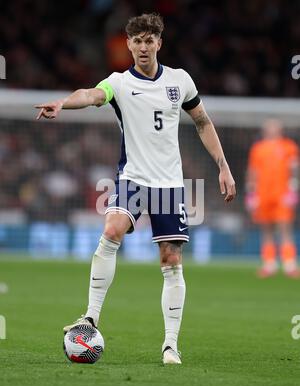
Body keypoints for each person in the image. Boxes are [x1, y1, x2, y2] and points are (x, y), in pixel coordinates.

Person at [35, 13, 236, 364]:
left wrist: (223, 166)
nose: (143, 47)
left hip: (170, 184)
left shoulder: (180, 81)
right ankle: (91, 316)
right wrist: (63, 103)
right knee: (112, 228)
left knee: (171, 259)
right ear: (128, 44)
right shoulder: (119, 82)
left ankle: (170, 344)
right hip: (133, 179)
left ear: (160, 43)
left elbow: (202, 122)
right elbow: (92, 94)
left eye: (149, 40)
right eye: (137, 41)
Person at [245, 118, 300, 278]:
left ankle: (289, 265)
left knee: (285, 228)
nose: (271, 130)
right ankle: (270, 264)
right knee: (266, 229)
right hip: (263, 195)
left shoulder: (289, 146)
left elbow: (295, 168)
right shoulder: (258, 148)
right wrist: (251, 193)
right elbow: (253, 171)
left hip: (282, 194)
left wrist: (293, 189)